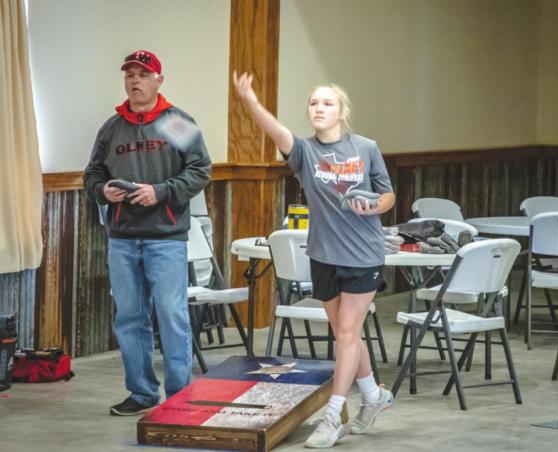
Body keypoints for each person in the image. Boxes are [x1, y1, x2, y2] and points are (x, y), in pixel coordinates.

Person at [233, 72, 395, 448]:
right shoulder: (305, 152)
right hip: (323, 256)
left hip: (362, 256)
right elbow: (276, 133)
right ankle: (374, 396)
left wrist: (372, 204)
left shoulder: (366, 147)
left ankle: (331, 418)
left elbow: (387, 196)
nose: (319, 108)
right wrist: (253, 103)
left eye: (327, 103)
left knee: (347, 333)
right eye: (313, 103)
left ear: (342, 112)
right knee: (344, 334)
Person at [84, 50, 211, 416]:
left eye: (143, 74)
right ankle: (141, 393)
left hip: (165, 237)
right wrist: (101, 192)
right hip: (122, 238)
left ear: (159, 80)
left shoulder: (175, 122)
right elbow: (92, 175)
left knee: (171, 315)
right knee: (129, 317)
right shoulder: (112, 128)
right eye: (130, 75)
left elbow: (201, 169)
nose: (135, 80)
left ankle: (179, 394)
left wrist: (162, 191)